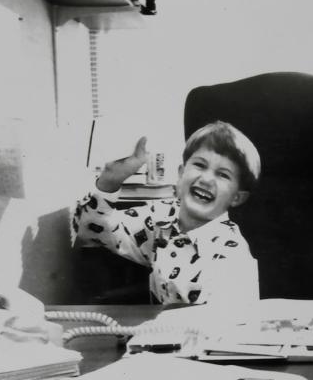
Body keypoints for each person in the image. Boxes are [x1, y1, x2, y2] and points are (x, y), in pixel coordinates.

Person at [73, 121, 261, 305]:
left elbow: (235, 327)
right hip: (158, 332)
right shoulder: (162, 216)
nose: (206, 179)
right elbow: (90, 228)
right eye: (200, 165)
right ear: (180, 174)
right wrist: (110, 179)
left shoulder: (232, 254)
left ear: (236, 198)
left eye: (223, 175)